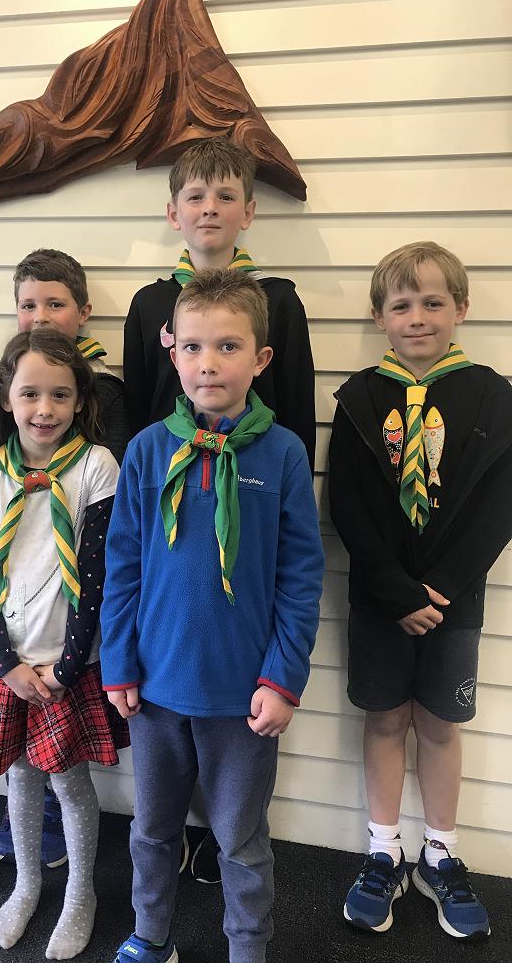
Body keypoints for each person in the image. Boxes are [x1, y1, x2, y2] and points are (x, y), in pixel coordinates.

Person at [101, 269, 324, 963]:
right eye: (193, 347)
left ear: (261, 359)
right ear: (172, 355)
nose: (208, 363)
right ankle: (151, 934)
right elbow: (123, 567)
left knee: (241, 841)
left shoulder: (284, 453)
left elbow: (300, 577)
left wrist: (283, 678)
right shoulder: (146, 451)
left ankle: (247, 947)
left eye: (228, 346)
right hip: (156, 689)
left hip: (243, 696)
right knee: (152, 831)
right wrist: (118, 663)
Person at [329, 242, 512, 939]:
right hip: (379, 601)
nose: (417, 317)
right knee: (383, 719)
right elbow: (347, 504)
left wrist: (437, 590)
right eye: (401, 305)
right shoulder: (358, 399)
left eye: (433, 302)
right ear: (380, 317)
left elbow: (499, 507)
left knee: (439, 723)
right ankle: (384, 849)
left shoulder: (494, 396)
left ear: (460, 308)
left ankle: (440, 852)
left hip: (452, 604)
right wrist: (394, 591)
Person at [0, 329, 128, 959]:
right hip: (6, 662)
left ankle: (80, 892)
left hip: (67, 660)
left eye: (60, 394)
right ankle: (27, 884)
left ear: (79, 400)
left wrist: (67, 666)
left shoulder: (96, 467)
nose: (45, 408)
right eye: (30, 393)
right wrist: (6, 665)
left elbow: (98, 573)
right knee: (22, 777)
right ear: (6, 397)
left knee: (68, 778)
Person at [123, 137, 315, 472]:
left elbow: (297, 405)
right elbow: (138, 408)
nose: (210, 207)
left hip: (257, 475)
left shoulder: (279, 301)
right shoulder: (147, 304)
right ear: (174, 214)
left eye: (225, 196)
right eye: (196, 196)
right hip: (168, 475)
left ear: (247, 212)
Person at [0, 247, 129, 463]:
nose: (40, 317)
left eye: (55, 305)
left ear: (83, 313)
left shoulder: (105, 389)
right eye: (28, 306)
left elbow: (116, 471)